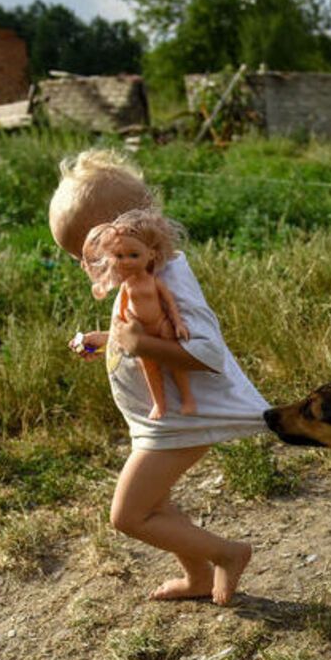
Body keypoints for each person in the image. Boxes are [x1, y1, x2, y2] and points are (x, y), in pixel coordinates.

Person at [49, 149, 269, 605]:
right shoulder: (141, 272)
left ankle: (228, 554)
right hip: (155, 420)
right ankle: (197, 577)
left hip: (180, 423)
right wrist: (106, 338)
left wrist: (138, 346)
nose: (86, 267)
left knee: (128, 516)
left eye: (88, 255)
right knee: (157, 503)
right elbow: (143, 331)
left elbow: (206, 352)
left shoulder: (173, 283)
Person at [81, 210, 196, 420]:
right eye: (119, 256)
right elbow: (124, 310)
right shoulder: (126, 285)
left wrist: (178, 323)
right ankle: (159, 404)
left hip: (161, 325)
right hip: (140, 331)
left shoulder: (154, 281)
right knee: (149, 368)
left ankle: (187, 398)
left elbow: (169, 303)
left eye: (134, 255)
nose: (126, 261)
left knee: (174, 363)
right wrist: (116, 331)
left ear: (151, 254)